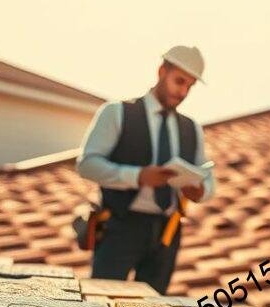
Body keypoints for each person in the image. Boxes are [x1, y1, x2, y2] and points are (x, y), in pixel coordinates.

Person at [76, 45, 214, 293]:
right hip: (120, 227)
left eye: (189, 86)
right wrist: (138, 177)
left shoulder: (192, 128)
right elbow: (87, 165)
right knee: (102, 303)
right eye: (179, 81)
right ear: (162, 71)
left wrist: (200, 191)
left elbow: (208, 178)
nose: (183, 91)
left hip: (167, 233)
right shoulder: (116, 113)